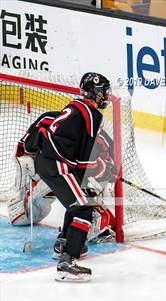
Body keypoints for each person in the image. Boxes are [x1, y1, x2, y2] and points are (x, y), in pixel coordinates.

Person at [31, 72, 114, 282]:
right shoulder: (93, 115)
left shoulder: (76, 107)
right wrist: (103, 169)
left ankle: (63, 244)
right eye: (103, 92)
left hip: (46, 161)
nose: (105, 97)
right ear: (95, 93)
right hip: (57, 165)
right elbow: (85, 161)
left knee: (77, 201)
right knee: (83, 209)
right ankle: (67, 263)